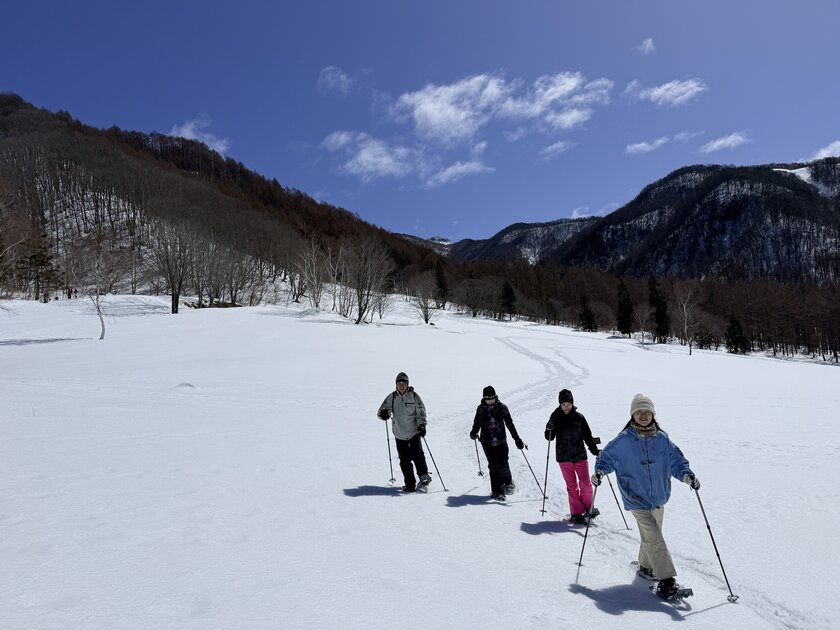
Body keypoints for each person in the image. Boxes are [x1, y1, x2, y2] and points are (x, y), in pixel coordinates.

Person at [591, 393, 700, 600]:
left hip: (658, 497)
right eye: (639, 411)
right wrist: (599, 472)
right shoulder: (623, 440)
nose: (643, 415)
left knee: (650, 535)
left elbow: (677, 462)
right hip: (636, 498)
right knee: (654, 536)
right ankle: (666, 580)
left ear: (653, 414)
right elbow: (606, 459)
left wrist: (687, 476)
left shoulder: (662, 439)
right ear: (632, 414)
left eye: (647, 411)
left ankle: (646, 567)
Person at [545, 388, 600, 524]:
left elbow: (587, 436)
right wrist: (549, 428)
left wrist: (595, 450)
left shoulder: (579, 418)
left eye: (569, 404)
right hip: (564, 458)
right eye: (563, 404)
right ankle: (576, 513)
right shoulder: (555, 417)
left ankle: (589, 508)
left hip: (580, 455)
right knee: (572, 486)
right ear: (560, 404)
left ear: (572, 403)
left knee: (586, 484)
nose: (566, 407)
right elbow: (549, 437)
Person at [470, 386, 526, 501]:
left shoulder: (502, 407)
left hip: (501, 441)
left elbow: (510, 424)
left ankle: (508, 482)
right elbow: (477, 422)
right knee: (493, 466)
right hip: (487, 442)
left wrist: (517, 439)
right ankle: (497, 492)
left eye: (492, 398)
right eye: (488, 399)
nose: (490, 401)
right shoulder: (481, 409)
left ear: (495, 397)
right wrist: (474, 432)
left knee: (503, 463)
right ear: (484, 398)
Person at [377, 372, 431, 492]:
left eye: (403, 383)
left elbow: (421, 412)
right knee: (404, 460)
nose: (401, 386)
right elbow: (383, 410)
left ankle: (424, 479)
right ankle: (410, 484)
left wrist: (422, 425)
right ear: (396, 385)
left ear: (407, 384)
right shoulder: (392, 397)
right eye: (399, 383)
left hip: (413, 432)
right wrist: (383, 413)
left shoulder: (414, 396)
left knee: (418, 456)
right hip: (399, 434)